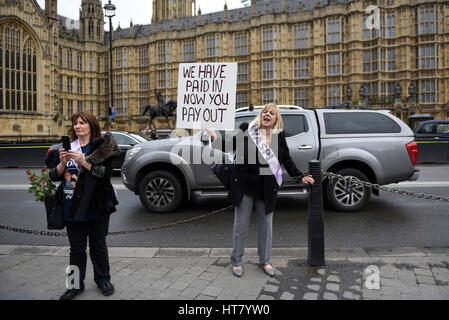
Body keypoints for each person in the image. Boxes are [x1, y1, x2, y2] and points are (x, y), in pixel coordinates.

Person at [206, 104, 314, 278]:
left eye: (272, 113)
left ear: (276, 119)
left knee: (266, 227)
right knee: (240, 226)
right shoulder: (248, 131)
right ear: (260, 115)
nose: (267, 114)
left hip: (266, 187)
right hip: (245, 185)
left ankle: (265, 260)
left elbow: (286, 158)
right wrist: (214, 137)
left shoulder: (279, 136)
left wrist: (300, 176)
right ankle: (236, 261)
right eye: (265, 112)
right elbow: (229, 145)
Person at [49, 111, 120, 300]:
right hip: (70, 206)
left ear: (91, 125)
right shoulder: (67, 147)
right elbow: (54, 176)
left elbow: (105, 174)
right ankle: (74, 285)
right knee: (76, 249)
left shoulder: (101, 146)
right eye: (75, 123)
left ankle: (103, 279)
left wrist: (83, 161)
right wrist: (63, 163)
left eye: (82, 122)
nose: (78, 126)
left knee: (98, 246)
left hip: (96, 204)